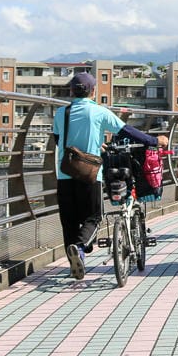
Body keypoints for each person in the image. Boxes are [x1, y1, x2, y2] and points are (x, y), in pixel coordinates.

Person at [53, 72, 123, 279]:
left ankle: (76, 257)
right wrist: (152, 141)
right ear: (93, 91)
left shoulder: (61, 113)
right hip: (90, 174)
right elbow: (125, 129)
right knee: (94, 216)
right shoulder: (98, 111)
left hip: (65, 173)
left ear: (72, 91)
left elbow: (60, 140)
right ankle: (80, 246)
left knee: (69, 220)